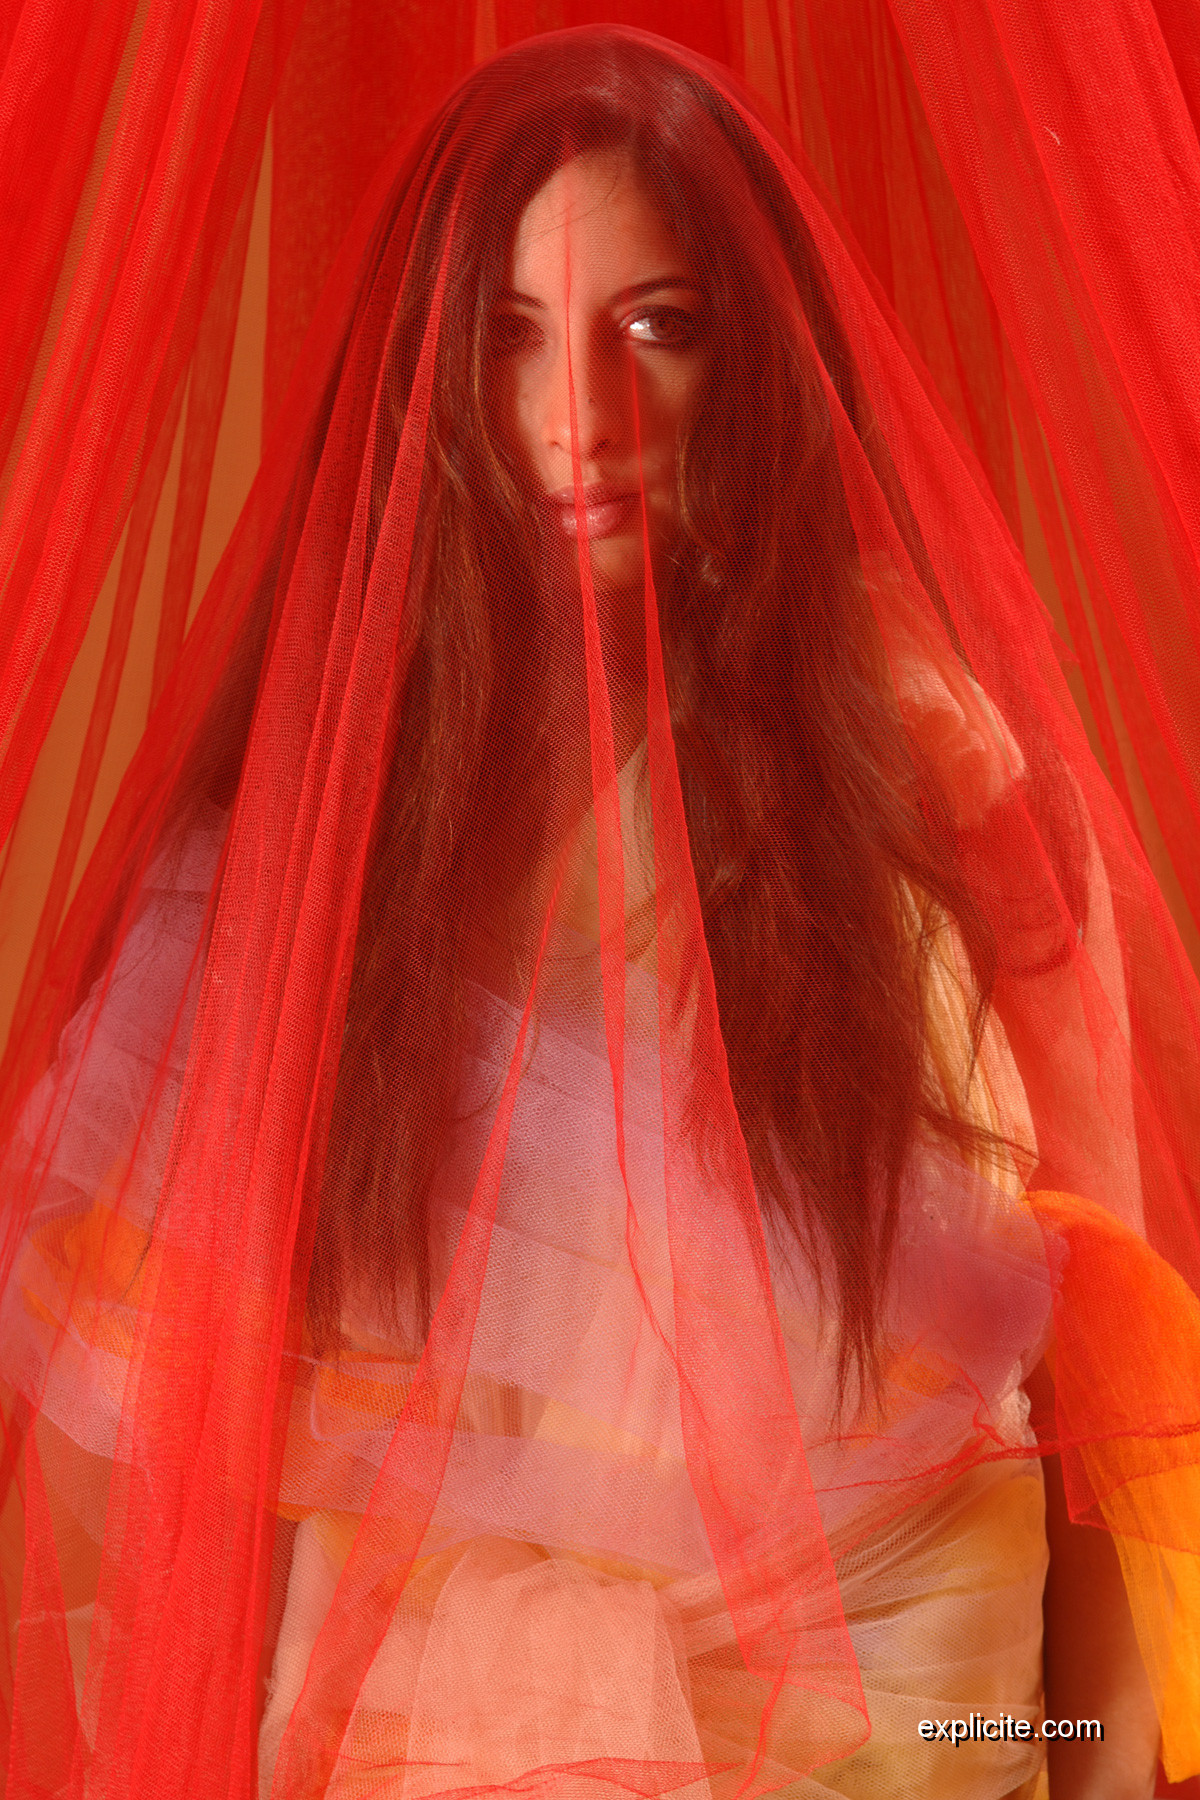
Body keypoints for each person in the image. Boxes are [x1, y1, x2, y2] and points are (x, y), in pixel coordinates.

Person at [0, 26, 1195, 1800]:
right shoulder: (317, 838)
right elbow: (187, 1464)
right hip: (418, 1723)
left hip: (907, 1713)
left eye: (658, 326)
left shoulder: (938, 783)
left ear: (759, 359)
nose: (582, 421)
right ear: (424, 381)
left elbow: (1107, 1352)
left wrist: (1084, 1758)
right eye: (508, 335)